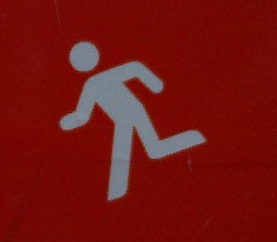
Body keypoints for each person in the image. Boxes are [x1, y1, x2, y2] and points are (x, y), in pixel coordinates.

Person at [59, 41, 205, 201]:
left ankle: (116, 193)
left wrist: (155, 84)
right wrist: (67, 122)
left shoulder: (94, 82)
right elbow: (83, 115)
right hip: (128, 116)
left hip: (133, 113)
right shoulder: (91, 85)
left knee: (140, 150)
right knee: (153, 149)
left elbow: (135, 68)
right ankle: (193, 138)